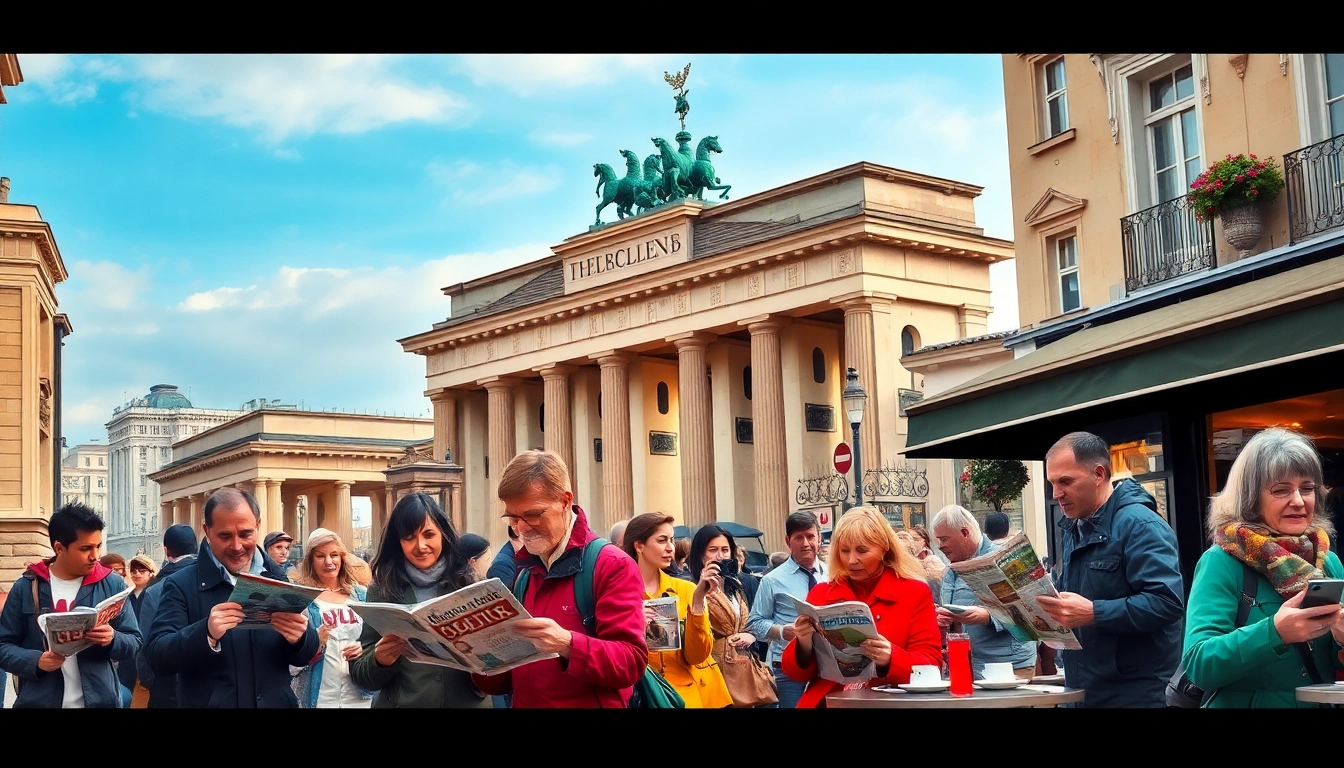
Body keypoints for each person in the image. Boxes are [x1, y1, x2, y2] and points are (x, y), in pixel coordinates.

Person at [470, 450, 646, 708]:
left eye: (533, 515)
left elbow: (631, 663)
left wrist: (568, 644)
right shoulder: (526, 569)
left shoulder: (611, 565)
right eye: (513, 518)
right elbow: (506, 682)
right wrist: (480, 659)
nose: (522, 528)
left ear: (565, 501)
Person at [1182, 428, 1344, 707]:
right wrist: (1274, 632)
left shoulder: (1327, 560)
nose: (1298, 500)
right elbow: (1198, 664)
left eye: (1307, 488)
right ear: (1250, 498)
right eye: (1281, 490)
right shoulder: (1221, 561)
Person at [1036, 431, 1184, 708]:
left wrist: (1094, 613)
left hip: (1134, 694)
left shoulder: (1141, 525)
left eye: (1066, 481)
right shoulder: (1075, 526)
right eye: (1052, 483)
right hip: (1082, 688)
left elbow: (1167, 603)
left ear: (1099, 474)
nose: (1057, 494)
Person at [145, 488, 318, 708]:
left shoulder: (279, 578)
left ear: (257, 525)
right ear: (206, 531)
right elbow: (157, 657)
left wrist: (300, 638)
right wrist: (205, 633)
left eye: (245, 534)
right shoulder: (181, 584)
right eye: (225, 536)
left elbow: (306, 654)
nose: (237, 546)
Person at [782, 506, 943, 708]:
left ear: (884, 548)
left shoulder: (914, 592)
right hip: (830, 701)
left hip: (891, 702)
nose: (851, 560)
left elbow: (931, 664)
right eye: (844, 551)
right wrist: (803, 643)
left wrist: (890, 658)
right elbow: (796, 673)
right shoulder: (821, 593)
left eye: (862, 550)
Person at [349, 493, 490, 708]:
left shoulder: (469, 583)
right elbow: (363, 676)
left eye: (429, 534)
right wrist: (379, 659)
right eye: (409, 537)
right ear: (398, 542)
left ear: (443, 534)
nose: (420, 545)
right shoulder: (383, 590)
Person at [0, 502, 142, 708]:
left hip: (100, 701)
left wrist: (112, 638)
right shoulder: (27, 587)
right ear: (59, 548)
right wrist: (36, 661)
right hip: (39, 701)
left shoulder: (112, 583)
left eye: (98, 546)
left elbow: (135, 642)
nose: (95, 556)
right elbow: (3, 646)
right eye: (85, 548)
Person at [626, 513, 732, 708]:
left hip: (687, 696)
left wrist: (698, 601)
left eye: (672, 540)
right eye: (662, 540)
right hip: (643, 696)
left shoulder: (687, 589)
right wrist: (633, 623)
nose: (670, 548)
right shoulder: (618, 593)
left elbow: (697, 656)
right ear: (639, 545)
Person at [932, 505, 1037, 678]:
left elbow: (1032, 610)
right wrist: (945, 619)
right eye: (938, 540)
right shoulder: (951, 569)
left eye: (944, 539)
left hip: (1006, 666)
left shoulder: (1006, 558)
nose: (940, 546)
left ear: (965, 533)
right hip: (964, 665)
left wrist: (987, 617)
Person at [688, 524, 775, 707]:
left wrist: (751, 635)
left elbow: (757, 620)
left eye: (725, 550)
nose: (720, 556)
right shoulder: (689, 586)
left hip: (746, 672)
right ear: (700, 554)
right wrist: (702, 591)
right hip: (713, 671)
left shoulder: (739, 584)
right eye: (713, 550)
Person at [747, 510, 826, 708]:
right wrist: (783, 631)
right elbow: (754, 623)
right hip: (787, 668)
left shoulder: (833, 574)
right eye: (799, 537)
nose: (806, 543)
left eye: (810, 536)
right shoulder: (772, 580)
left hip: (828, 667)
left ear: (820, 538)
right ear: (788, 540)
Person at [292, 528, 372, 709]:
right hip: (319, 696)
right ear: (311, 560)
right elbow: (291, 663)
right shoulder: (300, 597)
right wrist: (314, 642)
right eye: (320, 556)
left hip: (360, 695)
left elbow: (378, 640)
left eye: (334, 555)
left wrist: (365, 649)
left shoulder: (362, 595)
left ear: (342, 558)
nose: (329, 562)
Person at [133, 523, 197, 708]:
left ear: (166, 550)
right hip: (209, 682)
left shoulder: (154, 590)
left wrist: (149, 680)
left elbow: (143, 641)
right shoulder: (215, 581)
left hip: (166, 684)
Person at [118, 554, 157, 706]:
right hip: (128, 655)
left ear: (151, 572)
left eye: (142, 570)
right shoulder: (126, 596)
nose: (137, 574)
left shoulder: (154, 594)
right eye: (134, 571)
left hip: (147, 654)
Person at [896, 527, 946, 598]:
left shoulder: (932, 561)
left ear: (924, 542)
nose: (912, 542)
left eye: (915, 539)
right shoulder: (899, 561)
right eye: (910, 539)